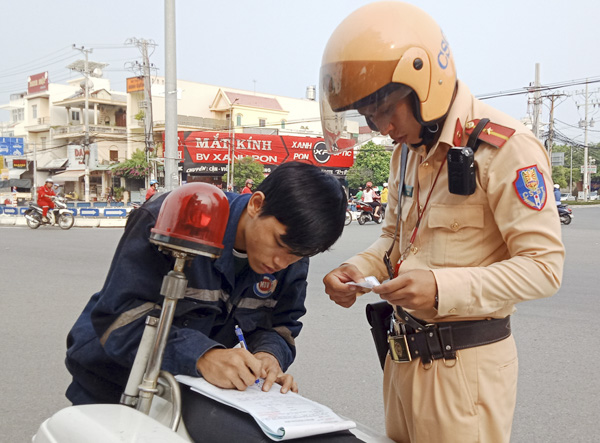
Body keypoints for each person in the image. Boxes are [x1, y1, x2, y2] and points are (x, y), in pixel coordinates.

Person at [319, 2, 565, 442]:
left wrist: (441, 288)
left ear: (424, 81)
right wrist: (359, 269)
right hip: (402, 359)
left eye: (386, 109)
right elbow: (394, 241)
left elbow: (544, 269)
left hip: (464, 369)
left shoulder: (506, 149)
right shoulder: (404, 155)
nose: (380, 127)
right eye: (368, 115)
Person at [64, 162, 347, 439]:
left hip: (188, 392)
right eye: (280, 245)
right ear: (256, 204)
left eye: (296, 256)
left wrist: (269, 356)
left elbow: (282, 325)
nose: (281, 263)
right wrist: (202, 355)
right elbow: (118, 319)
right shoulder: (179, 216)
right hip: (112, 381)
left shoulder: (293, 255)